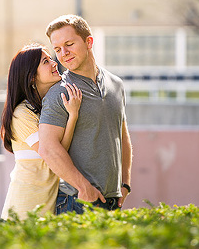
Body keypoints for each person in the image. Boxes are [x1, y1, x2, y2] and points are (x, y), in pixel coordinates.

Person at [38, 14, 133, 214]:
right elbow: (48, 148)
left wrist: (125, 184)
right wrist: (83, 187)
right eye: (57, 49)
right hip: (77, 201)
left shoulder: (116, 84)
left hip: (113, 201)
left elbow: (122, 137)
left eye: (69, 44)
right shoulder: (60, 93)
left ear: (88, 41)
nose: (63, 54)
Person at [0, 43, 82, 220]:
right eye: (46, 61)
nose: (54, 63)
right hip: (24, 207)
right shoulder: (21, 114)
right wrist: (73, 116)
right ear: (31, 77)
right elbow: (54, 153)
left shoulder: (45, 108)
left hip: (46, 206)